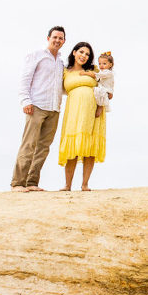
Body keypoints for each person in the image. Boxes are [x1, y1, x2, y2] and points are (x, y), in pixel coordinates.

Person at [11, 26, 66, 192]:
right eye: (54, 37)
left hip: (54, 108)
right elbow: (25, 79)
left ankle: (32, 182)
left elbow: (60, 86)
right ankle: (18, 183)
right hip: (36, 106)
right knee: (29, 145)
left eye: (60, 38)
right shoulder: (36, 55)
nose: (57, 40)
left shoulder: (61, 62)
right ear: (48, 38)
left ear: (64, 41)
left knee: (43, 147)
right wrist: (25, 100)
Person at [57, 42, 109, 191]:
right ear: (74, 53)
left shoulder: (94, 70)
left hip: (93, 111)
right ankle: (67, 185)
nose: (84, 56)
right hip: (73, 111)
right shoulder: (66, 72)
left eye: (87, 54)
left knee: (90, 145)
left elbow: (106, 88)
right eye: (81, 52)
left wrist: (100, 106)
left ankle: (85, 184)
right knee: (72, 144)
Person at [81, 51, 115, 118]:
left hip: (106, 90)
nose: (101, 66)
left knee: (97, 90)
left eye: (104, 64)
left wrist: (85, 73)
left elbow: (95, 75)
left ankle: (100, 106)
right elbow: (98, 79)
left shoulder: (108, 72)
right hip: (103, 88)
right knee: (98, 91)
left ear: (110, 65)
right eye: (100, 64)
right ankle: (99, 104)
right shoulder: (102, 72)